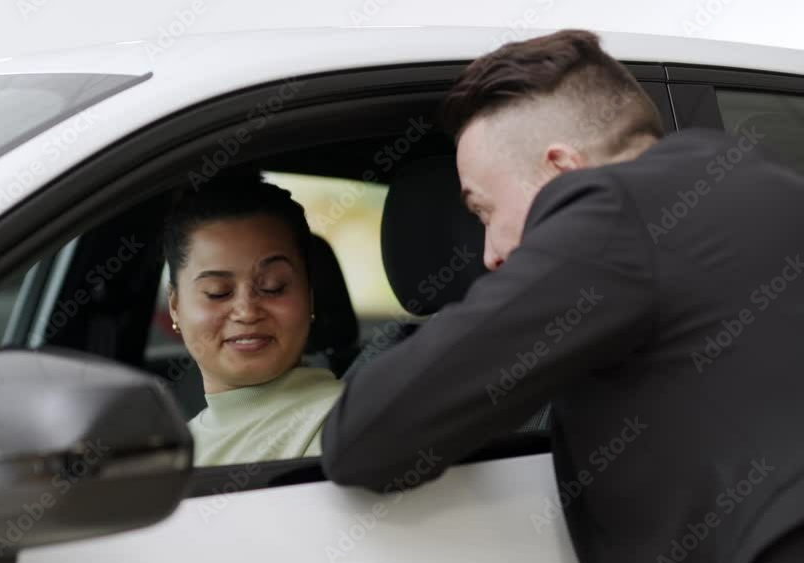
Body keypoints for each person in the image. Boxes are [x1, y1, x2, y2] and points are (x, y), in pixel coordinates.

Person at [321, 29, 804, 563]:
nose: (489, 254)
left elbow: (365, 437)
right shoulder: (762, 180)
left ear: (560, 171)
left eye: (483, 211)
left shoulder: (612, 214)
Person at [163, 172, 344, 466]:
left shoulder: (346, 426)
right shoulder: (176, 450)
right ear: (175, 306)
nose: (246, 312)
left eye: (273, 287)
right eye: (218, 292)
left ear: (309, 297)